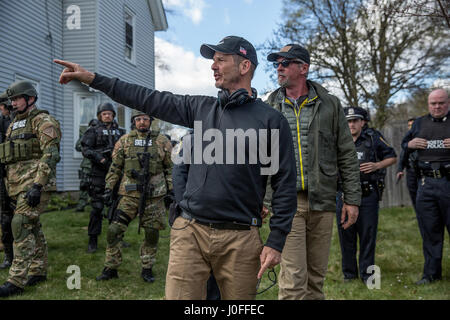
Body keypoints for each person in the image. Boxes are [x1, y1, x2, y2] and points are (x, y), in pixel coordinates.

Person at [54, 35, 298, 300]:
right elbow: (147, 98)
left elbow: (284, 183)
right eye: (213, 61)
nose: (213, 66)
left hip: (240, 239)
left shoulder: (271, 121)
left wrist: (276, 241)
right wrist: (93, 79)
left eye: (220, 60)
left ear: (244, 66)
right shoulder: (200, 108)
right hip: (190, 233)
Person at [265, 44, 361, 300]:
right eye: (277, 63)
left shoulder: (329, 104)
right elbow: (261, 159)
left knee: (316, 281)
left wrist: (351, 199)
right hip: (287, 203)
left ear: (303, 68)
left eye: (285, 62)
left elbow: (346, 154)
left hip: (323, 201)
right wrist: (262, 199)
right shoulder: (269, 106)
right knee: (294, 281)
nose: (279, 67)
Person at [96, 111, 173, 283]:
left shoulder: (162, 141)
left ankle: (147, 267)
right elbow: (115, 167)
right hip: (129, 194)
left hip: (155, 196)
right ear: (134, 122)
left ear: (150, 121)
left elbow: (170, 168)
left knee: (152, 233)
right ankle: (111, 267)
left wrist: (172, 190)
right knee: (114, 230)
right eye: (138, 119)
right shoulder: (124, 141)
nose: (142, 122)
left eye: (145, 119)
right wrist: (109, 188)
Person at [0, 80, 61, 297]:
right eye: (12, 100)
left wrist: (38, 185)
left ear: (30, 99)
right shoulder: (13, 124)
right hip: (17, 185)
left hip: (36, 184)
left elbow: (51, 154)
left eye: (17, 99)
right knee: (32, 225)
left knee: (21, 223)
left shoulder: (44, 121)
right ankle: (38, 270)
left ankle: (16, 279)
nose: (13, 103)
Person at [336, 106, 397, 283]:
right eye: (348, 121)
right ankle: (349, 275)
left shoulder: (373, 137)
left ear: (363, 122)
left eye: (355, 120)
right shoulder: (338, 139)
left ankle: (368, 275)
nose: (351, 124)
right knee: (345, 234)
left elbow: (392, 157)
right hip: (343, 195)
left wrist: (377, 166)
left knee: (367, 236)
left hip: (368, 194)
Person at [401, 88, 450, 285]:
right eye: (433, 103)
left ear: (448, 103)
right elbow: (404, 146)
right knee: (430, 231)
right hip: (426, 183)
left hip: (449, 182)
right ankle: (431, 275)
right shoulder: (419, 123)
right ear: (428, 104)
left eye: (441, 103)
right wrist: (411, 144)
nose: (437, 107)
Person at [80, 103, 125, 253]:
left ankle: (117, 238)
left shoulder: (120, 132)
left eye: (110, 113)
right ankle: (93, 240)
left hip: (116, 172)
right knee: (97, 207)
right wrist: (99, 158)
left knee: (117, 207)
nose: (107, 116)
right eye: (104, 113)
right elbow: (85, 149)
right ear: (100, 115)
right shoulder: (93, 131)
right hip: (99, 173)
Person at [0, 91, 14, 269]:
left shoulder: (19, 123)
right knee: (5, 218)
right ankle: (9, 257)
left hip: (19, 176)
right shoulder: (1, 122)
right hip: (3, 175)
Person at [74, 119, 98, 212]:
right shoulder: (87, 136)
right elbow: (78, 146)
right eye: (92, 126)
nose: (94, 128)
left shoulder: (102, 135)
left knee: (100, 186)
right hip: (87, 165)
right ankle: (81, 205)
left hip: (100, 165)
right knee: (84, 185)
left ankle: (101, 207)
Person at [396, 118, 419, 210]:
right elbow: (403, 156)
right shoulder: (407, 140)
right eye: (409, 126)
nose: (410, 127)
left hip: (423, 172)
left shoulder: (425, 136)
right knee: (413, 195)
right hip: (411, 172)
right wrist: (400, 170)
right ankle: (419, 215)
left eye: (412, 125)